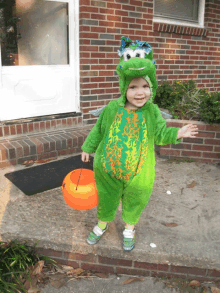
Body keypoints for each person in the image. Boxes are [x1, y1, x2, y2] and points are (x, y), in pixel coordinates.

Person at [81, 36, 199, 251]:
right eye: (134, 87)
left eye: (145, 86)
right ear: (124, 87)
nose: (140, 92)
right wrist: (88, 147)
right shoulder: (111, 108)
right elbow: (99, 129)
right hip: (108, 167)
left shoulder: (152, 112)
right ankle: (102, 224)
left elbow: (161, 134)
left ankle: (129, 228)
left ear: (151, 87)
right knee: (107, 197)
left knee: (135, 199)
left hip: (139, 170)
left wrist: (178, 133)